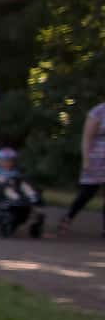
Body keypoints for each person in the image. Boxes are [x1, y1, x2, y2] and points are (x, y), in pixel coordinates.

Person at [56, 97, 105, 236]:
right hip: (96, 158)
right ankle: (68, 217)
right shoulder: (98, 112)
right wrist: (86, 160)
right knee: (87, 193)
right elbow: (87, 137)